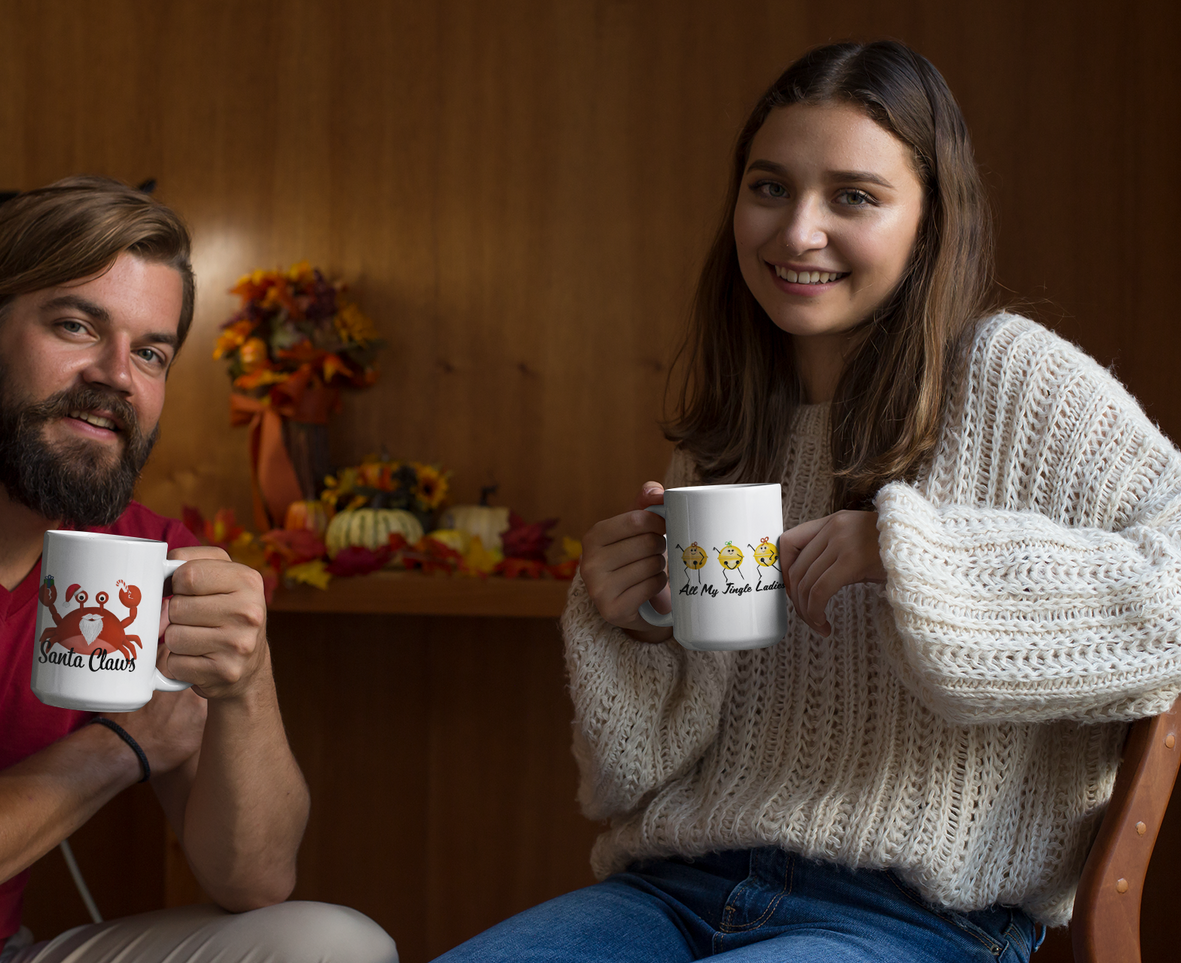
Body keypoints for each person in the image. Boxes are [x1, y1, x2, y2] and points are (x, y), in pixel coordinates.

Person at [433, 40, 1181, 963]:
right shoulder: (725, 434)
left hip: (918, 923)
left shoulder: (1014, 381)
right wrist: (633, 625)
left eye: (854, 197)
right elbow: (625, 780)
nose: (795, 233)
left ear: (929, 222)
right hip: (671, 890)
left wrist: (909, 556)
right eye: (769, 187)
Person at [0, 176, 397, 963]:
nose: (116, 374)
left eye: (150, 351)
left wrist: (245, 681)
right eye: (78, 325)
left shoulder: (152, 559)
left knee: (332, 945)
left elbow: (252, 878)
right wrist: (119, 745)